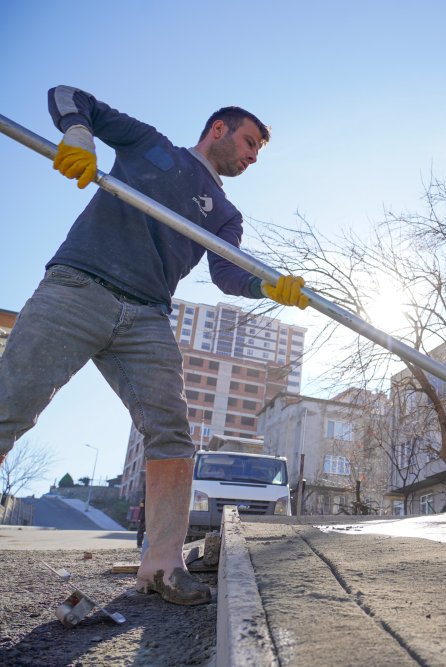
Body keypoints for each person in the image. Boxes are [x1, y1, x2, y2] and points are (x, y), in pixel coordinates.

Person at [0, 86, 310, 605]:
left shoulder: (224, 215)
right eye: (250, 142)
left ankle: (163, 566)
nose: (254, 156)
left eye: (258, 150)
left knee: (172, 433)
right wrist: (79, 132)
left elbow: (229, 274)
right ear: (219, 130)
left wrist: (267, 284)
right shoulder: (151, 147)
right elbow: (67, 95)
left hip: (147, 317)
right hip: (78, 287)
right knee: (10, 404)